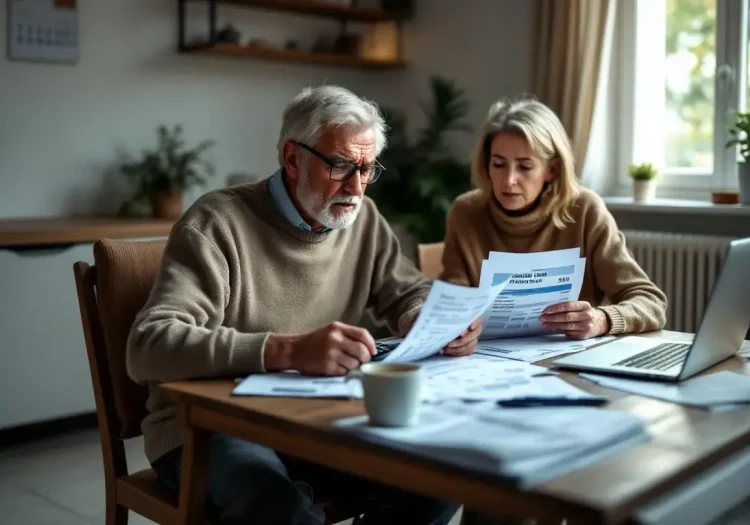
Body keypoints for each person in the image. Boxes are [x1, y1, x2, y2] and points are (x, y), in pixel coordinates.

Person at [126, 85, 478, 525]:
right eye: (340, 165)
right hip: (208, 428)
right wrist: (287, 350)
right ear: (292, 158)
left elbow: (408, 292)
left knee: (442, 474)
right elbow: (148, 347)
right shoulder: (216, 223)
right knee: (274, 502)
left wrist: (426, 317)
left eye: (367, 169)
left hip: (315, 422)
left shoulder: (361, 218)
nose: (356, 187)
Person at [439, 96, 667, 339]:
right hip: (485, 361)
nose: (509, 180)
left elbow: (651, 302)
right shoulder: (466, 212)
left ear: (552, 170)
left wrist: (603, 319)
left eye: (525, 167)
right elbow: (453, 302)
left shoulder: (585, 210)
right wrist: (458, 327)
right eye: (498, 164)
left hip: (567, 359)